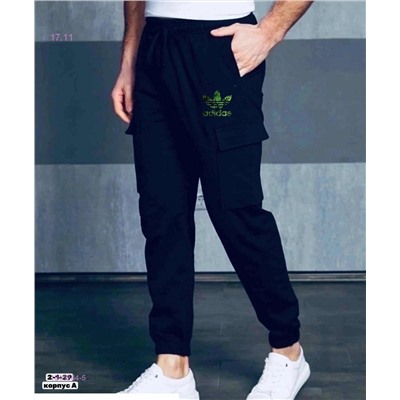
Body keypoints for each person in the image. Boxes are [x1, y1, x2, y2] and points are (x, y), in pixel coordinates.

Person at [111, 1, 313, 399]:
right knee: (162, 212)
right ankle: (172, 370)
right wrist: (130, 57)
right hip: (155, 46)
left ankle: (288, 352)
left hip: (219, 46)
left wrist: (269, 31)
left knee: (234, 210)